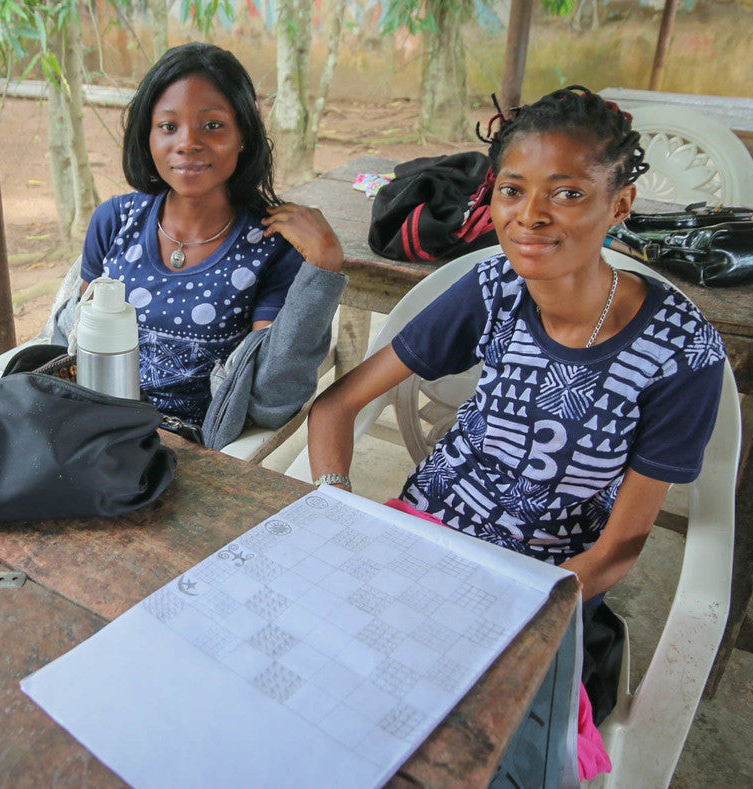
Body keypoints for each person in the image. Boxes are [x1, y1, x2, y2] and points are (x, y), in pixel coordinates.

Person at [307, 85, 727, 605]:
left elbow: (620, 547)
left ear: (620, 205)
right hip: (420, 532)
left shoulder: (681, 351)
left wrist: (529, 608)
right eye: (512, 190)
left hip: (543, 581)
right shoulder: (494, 289)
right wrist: (335, 505)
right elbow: (336, 405)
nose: (530, 215)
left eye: (567, 193)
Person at [58, 42, 347, 447]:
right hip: (91, 429)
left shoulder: (270, 247)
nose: (188, 143)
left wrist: (323, 269)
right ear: (147, 137)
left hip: (183, 452)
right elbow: (74, 347)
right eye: (168, 126)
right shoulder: (115, 221)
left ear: (243, 134)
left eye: (212, 126)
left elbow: (270, 399)